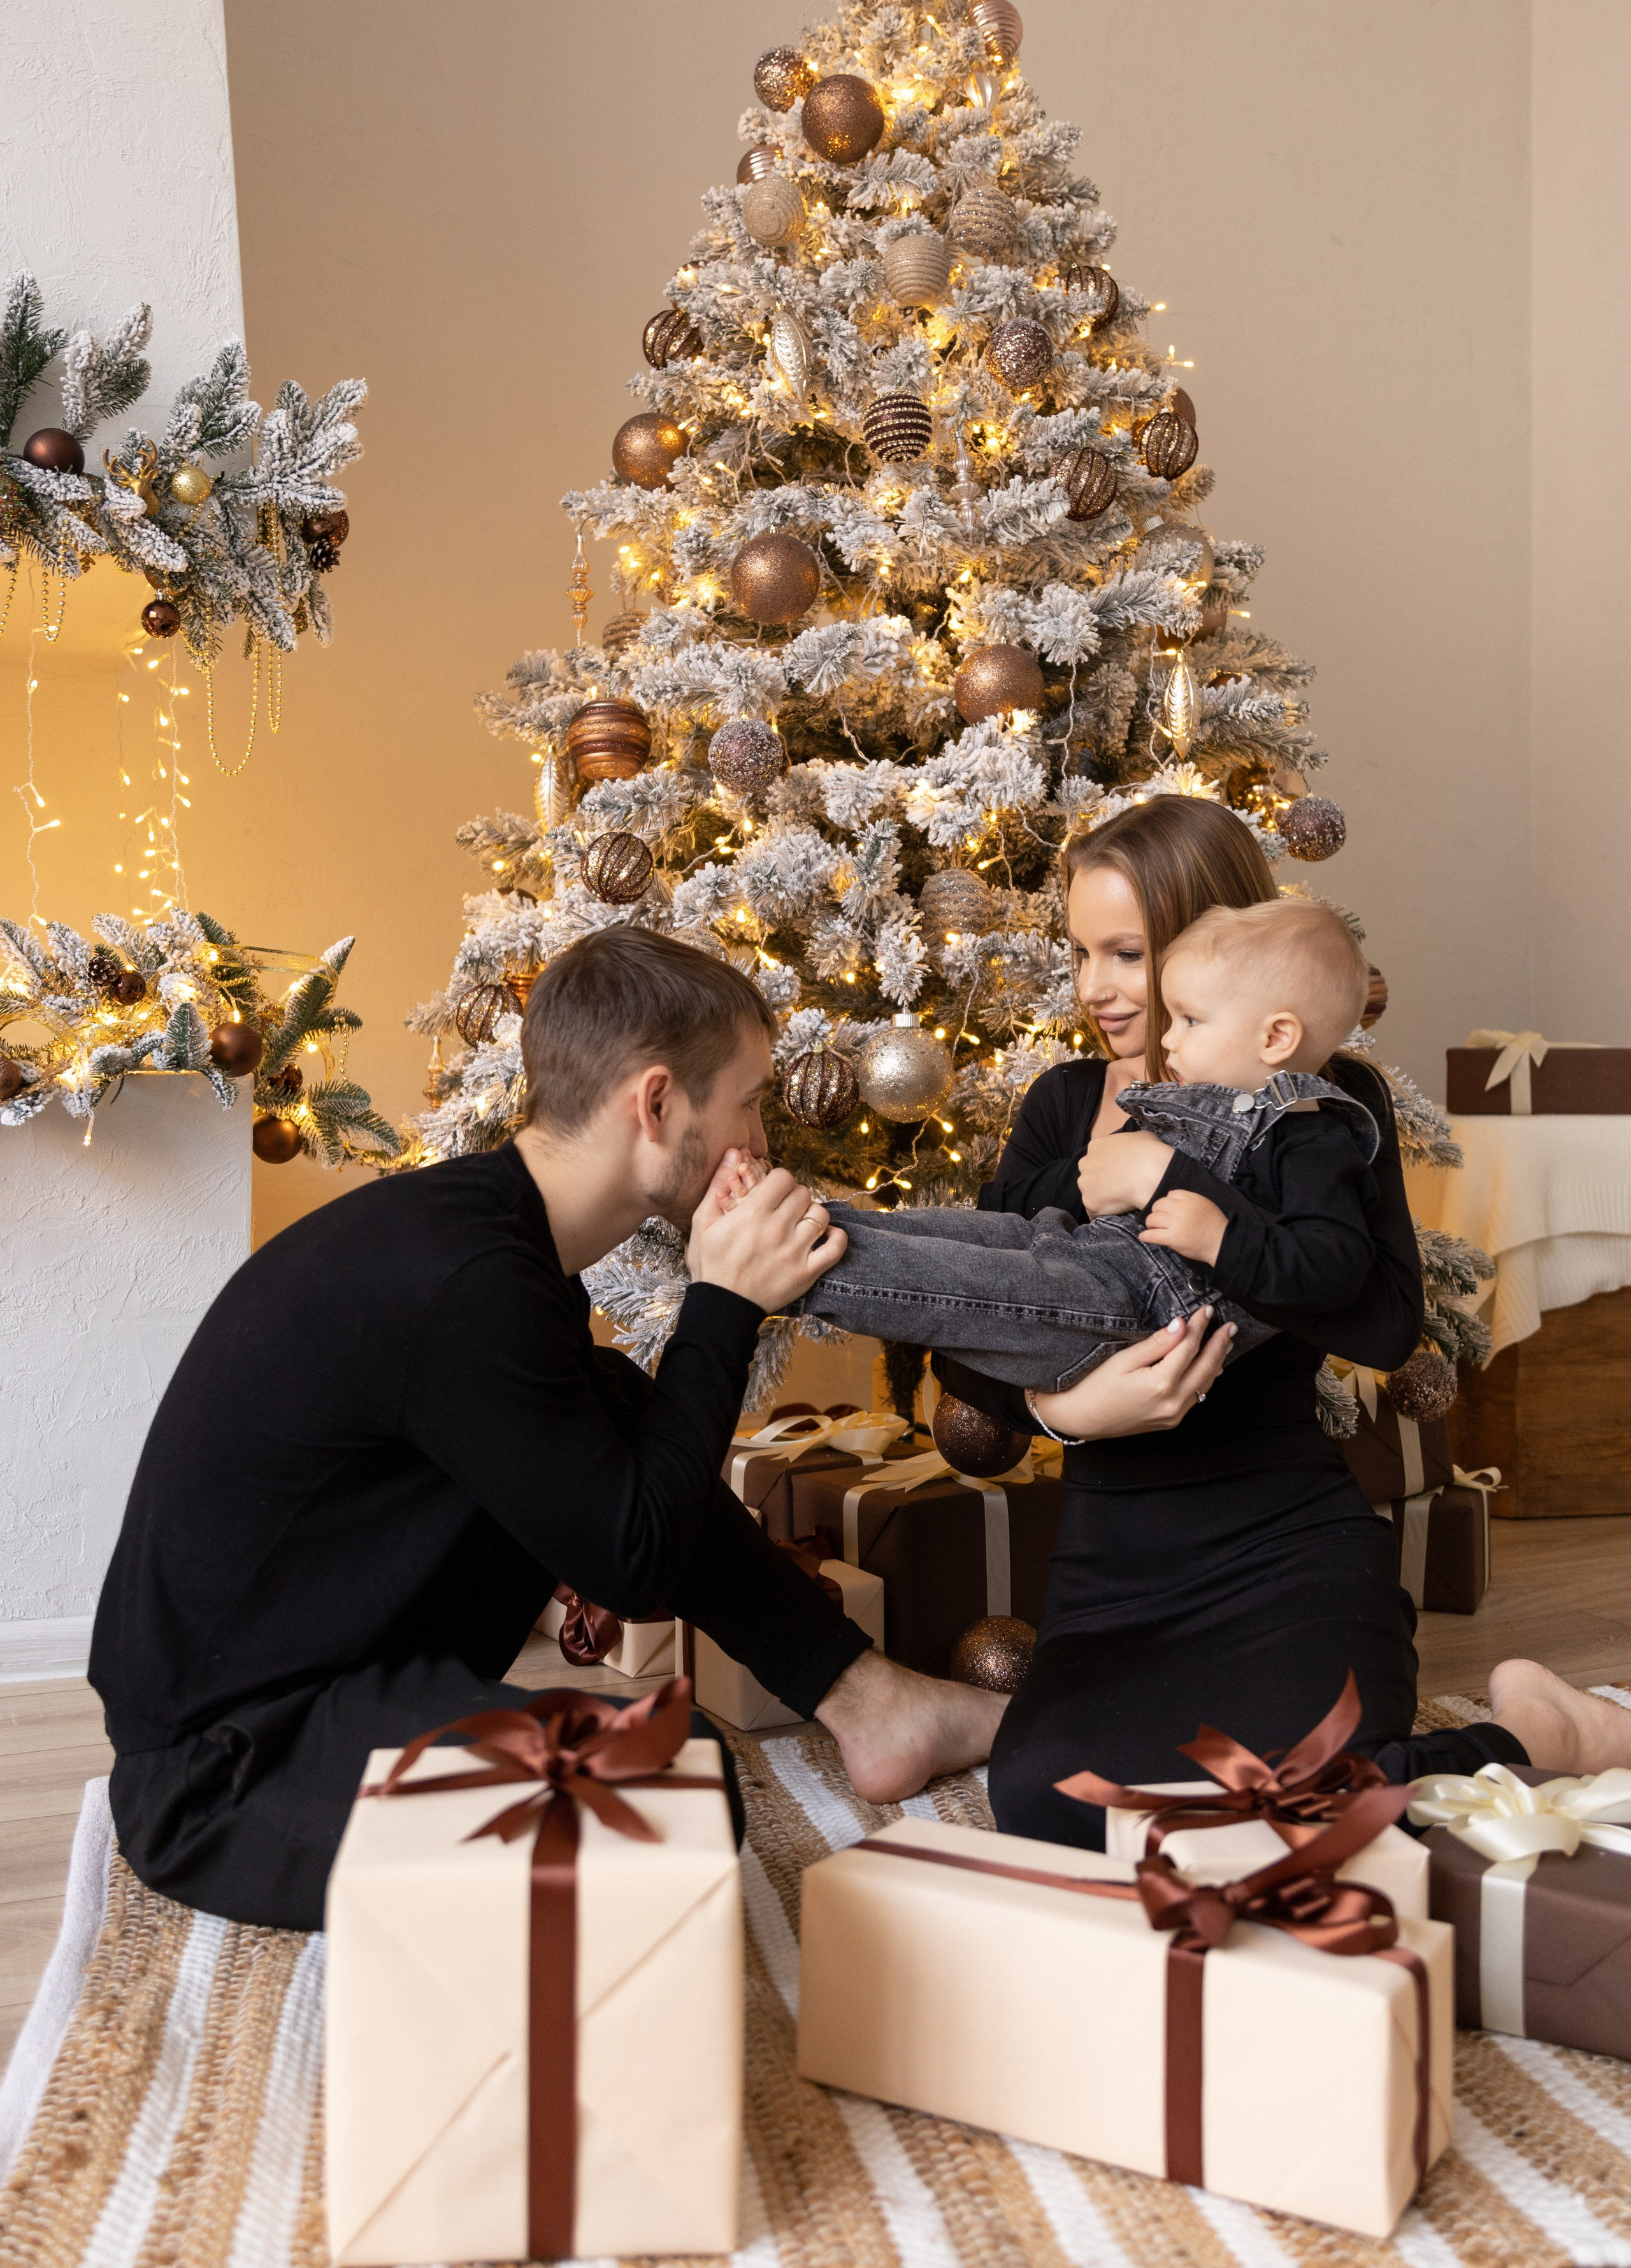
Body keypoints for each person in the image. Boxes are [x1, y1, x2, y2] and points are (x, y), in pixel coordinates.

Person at [89, 928, 1027, 1931]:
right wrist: (722, 1306)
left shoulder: (491, 1241)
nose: (761, 1142)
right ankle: (869, 1708)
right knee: (672, 1784)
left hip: (327, 1686)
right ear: (657, 1104)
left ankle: (870, 1702)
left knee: (608, 1397)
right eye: (749, 1103)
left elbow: (613, 1520)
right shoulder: (464, 1282)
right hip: (231, 1770)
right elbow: (633, 1561)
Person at [837, 796, 1631, 1845]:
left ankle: (1535, 1735)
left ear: (1207, 939)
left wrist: (1177, 1182)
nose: (1094, 987)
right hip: (1116, 1573)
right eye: (1081, 951)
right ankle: (1519, 1742)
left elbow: (1385, 1325)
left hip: (1287, 1543)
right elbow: (977, 1347)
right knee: (1046, 1802)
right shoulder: (1063, 1107)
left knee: (1307, 1786)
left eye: (1127, 953)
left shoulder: (1317, 1098)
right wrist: (1074, 1410)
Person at [790, 895, 1387, 1393]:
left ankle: (792, 1268)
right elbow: (1040, 1201)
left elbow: (1336, 1269)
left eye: (1191, 1021)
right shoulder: (1175, 1100)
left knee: (962, 1282)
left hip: (1133, 1302)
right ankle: (800, 1222)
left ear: (1276, 1037)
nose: (1169, 1039)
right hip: (1085, 1248)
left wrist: (1221, 1238)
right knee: (960, 1233)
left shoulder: (1316, 1139)